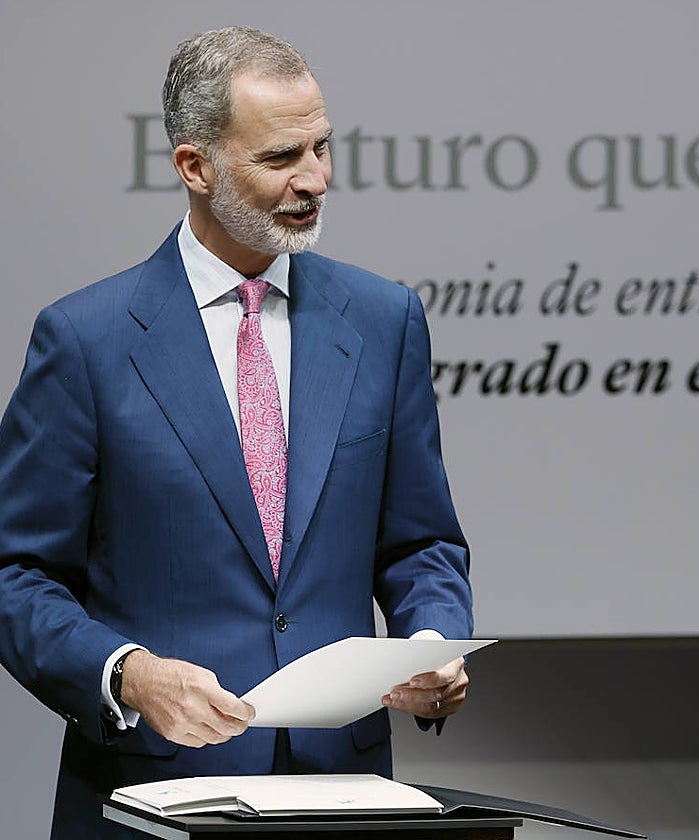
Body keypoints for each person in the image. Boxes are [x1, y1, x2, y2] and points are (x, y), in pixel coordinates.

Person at [0, 26, 473, 838]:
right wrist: (129, 674)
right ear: (195, 167)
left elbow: (421, 542)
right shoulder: (85, 341)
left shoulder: (384, 320)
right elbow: (16, 571)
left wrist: (430, 643)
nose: (314, 179)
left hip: (342, 797)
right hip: (150, 798)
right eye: (282, 157)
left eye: (322, 147)